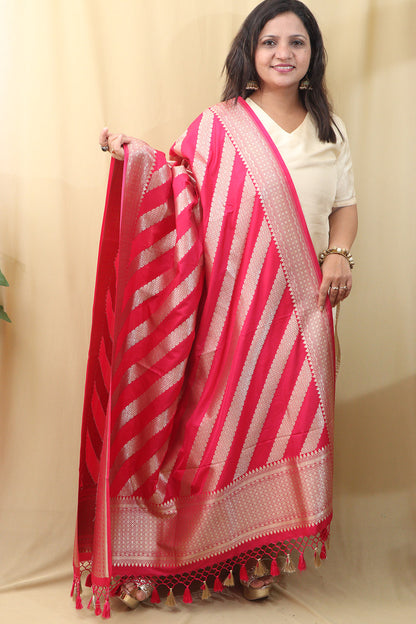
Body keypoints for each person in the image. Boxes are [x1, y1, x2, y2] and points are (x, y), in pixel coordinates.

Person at [72, 0, 357, 615]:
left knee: (281, 427)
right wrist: (135, 157)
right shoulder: (219, 126)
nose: (283, 53)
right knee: (208, 430)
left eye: (297, 42)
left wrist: (339, 254)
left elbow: (345, 206)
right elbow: (178, 185)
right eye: (270, 41)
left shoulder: (329, 130)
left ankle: (255, 558)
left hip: (304, 309)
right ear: (250, 51)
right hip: (229, 306)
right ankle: (157, 557)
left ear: (313, 55)